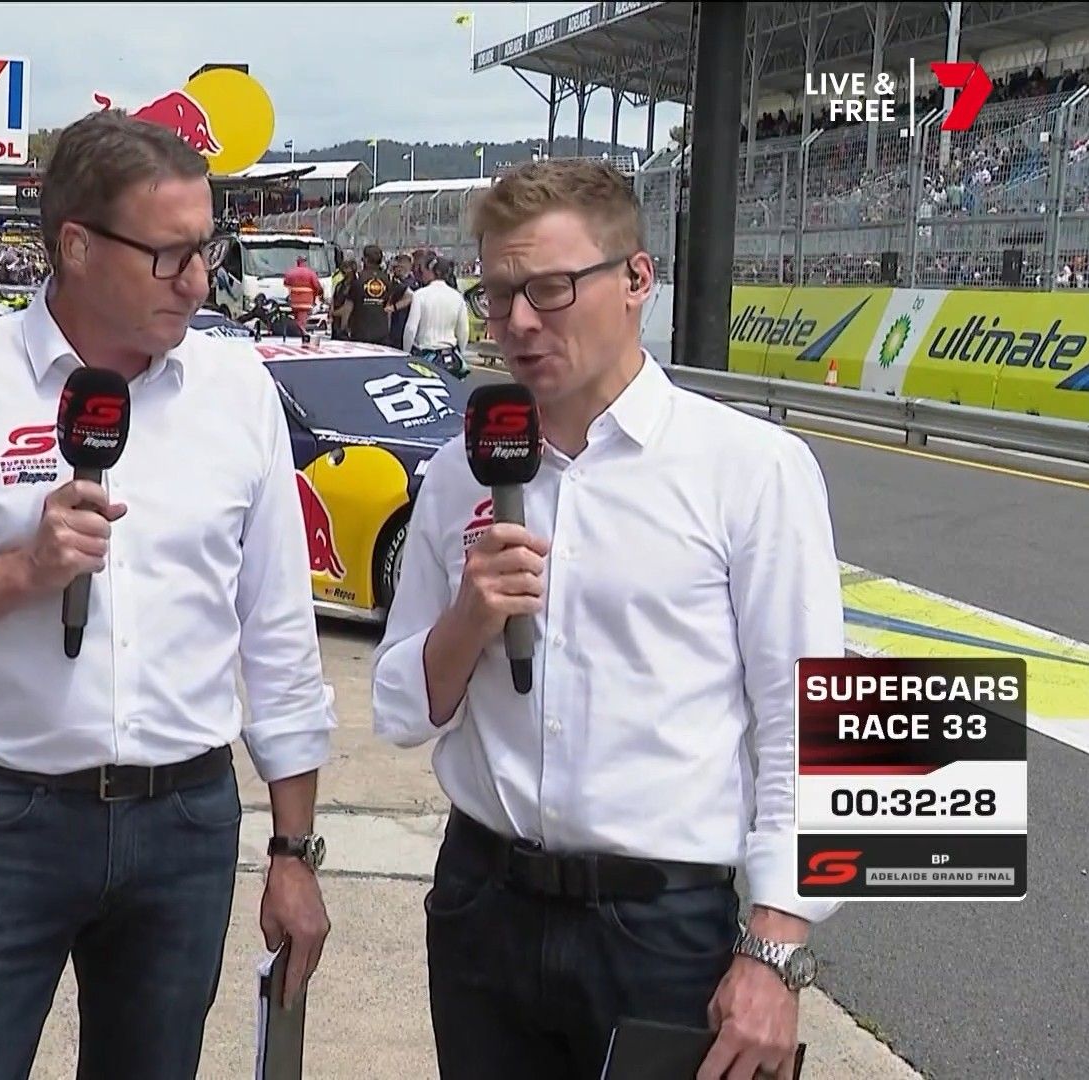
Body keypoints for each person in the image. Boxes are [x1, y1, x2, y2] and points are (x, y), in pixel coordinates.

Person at [0, 108, 336, 1080]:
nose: (199, 280)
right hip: (2, 818)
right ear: (75, 245)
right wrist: (18, 574)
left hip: (185, 823)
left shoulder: (237, 393)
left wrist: (293, 849)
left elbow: (278, 636)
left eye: (206, 249)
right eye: (168, 255)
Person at [369, 158, 844, 1080]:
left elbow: (809, 726)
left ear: (636, 279)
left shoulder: (752, 469)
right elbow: (395, 707)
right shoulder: (462, 471)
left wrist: (776, 951)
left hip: (660, 931)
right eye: (497, 292)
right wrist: (467, 619)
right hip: (483, 905)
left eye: (549, 289)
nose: (517, 321)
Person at [401, 256, 471, 378]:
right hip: (451, 356)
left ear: (432, 271)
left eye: (424, 270)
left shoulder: (420, 295)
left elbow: (411, 329)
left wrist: (406, 353)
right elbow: (464, 331)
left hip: (426, 356)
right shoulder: (457, 297)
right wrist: (461, 352)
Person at [282, 254, 322, 333]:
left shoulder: (291, 272)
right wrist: (317, 295)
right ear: (305, 262)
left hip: (295, 300)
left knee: (298, 316)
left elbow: (286, 283)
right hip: (306, 300)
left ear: (297, 262)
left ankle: (299, 331)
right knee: (303, 317)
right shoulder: (311, 273)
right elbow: (316, 286)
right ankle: (302, 331)